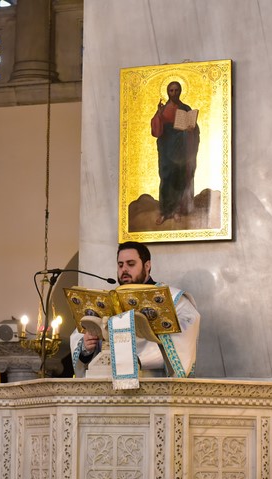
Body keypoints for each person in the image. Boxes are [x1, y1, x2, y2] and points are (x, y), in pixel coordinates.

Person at [70, 241, 200, 380]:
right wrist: (86, 347)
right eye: (120, 265)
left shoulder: (172, 299)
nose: (124, 269)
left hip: (155, 381)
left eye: (131, 264)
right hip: (110, 381)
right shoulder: (108, 301)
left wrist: (138, 359)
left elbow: (185, 336)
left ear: (147, 265)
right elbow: (82, 338)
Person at [150, 81, 200, 225]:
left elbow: (194, 128)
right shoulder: (163, 109)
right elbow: (156, 130)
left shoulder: (185, 108)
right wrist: (159, 114)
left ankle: (177, 210)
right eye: (171, 90)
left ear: (180, 91)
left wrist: (190, 130)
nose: (174, 93)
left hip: (181, 148)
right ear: (167, 92)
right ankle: (165, 212)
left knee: (179, 177)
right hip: (166, 147)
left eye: (176, 90)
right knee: (166, 178)